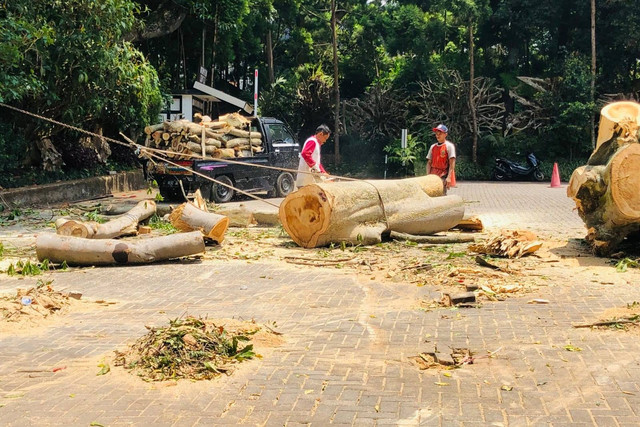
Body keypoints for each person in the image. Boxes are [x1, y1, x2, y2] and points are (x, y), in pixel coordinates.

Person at [426, 124, 456, 194]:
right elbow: (429, 163)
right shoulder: (433, 147)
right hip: (433, 175)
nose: (438, 135)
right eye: (436, 133)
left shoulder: (449, 146)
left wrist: (449, 177)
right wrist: (428, 175)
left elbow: (452, 164)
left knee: (441, 194)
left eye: (440, 133)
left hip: (443, 174)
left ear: (445, 134)